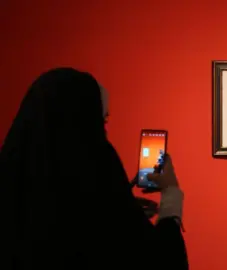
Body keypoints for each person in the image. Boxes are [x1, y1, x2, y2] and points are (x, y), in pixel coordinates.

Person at [0, 68, 188, 269]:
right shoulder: (101, 168)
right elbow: (161, 261)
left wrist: (117, 210)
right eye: (102, 122)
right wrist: (171, 194)